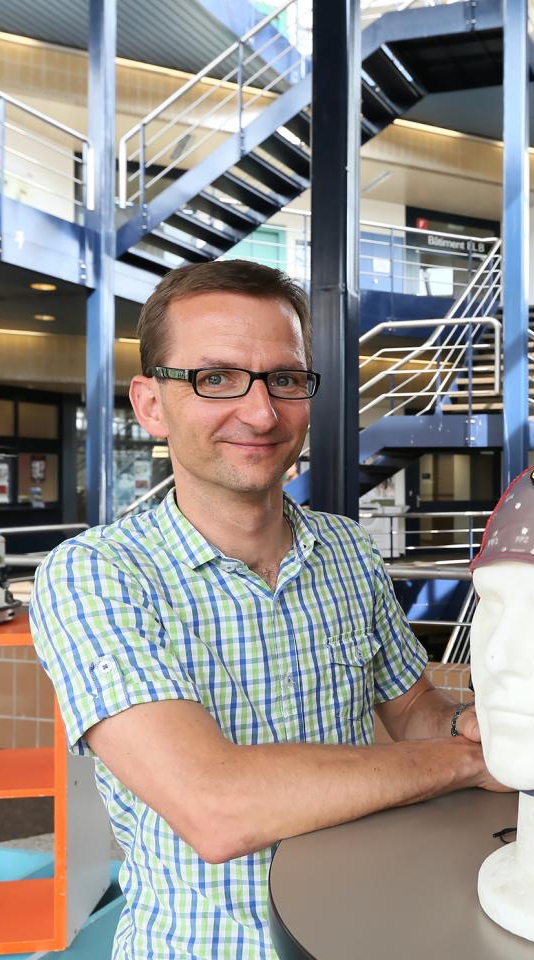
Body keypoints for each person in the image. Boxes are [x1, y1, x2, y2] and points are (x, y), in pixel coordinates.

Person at [31, 260, 500, 959]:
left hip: (361, 930)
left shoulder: (347, 550)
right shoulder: (97, 576)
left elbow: (414, 712)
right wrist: (463, 763)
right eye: (216, 378)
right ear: (151, 405)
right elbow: (216, 807)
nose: (261, 413)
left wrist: (474, 729)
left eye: (284, 379)